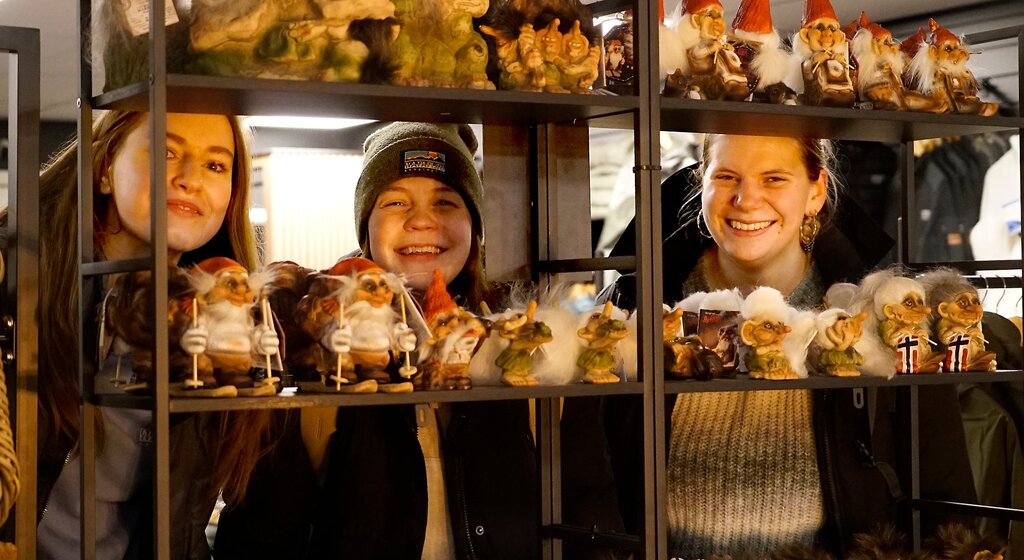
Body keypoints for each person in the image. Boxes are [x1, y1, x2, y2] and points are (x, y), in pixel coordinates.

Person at [561, 134, 979, 559]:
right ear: (701, 182)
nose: (746, 200)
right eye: (726, 176)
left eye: (774, 178)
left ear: (815, 192)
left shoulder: (883, 314)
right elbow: (583, 482)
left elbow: (945, 496)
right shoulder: (630, 310)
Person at [214, 122, 539, 558]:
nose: (421, 220)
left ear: (475, 227)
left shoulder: (517, 351)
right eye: (396, 202)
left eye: (445, 201)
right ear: (366, 229)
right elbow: (254, 543)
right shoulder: (309, 354)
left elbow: (587, 515)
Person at [32, 110, 271, 558]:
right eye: (166, 151)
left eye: (215, 164)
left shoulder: (226, 326)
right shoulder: (21, 289)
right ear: (104, 170)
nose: (190, 179)